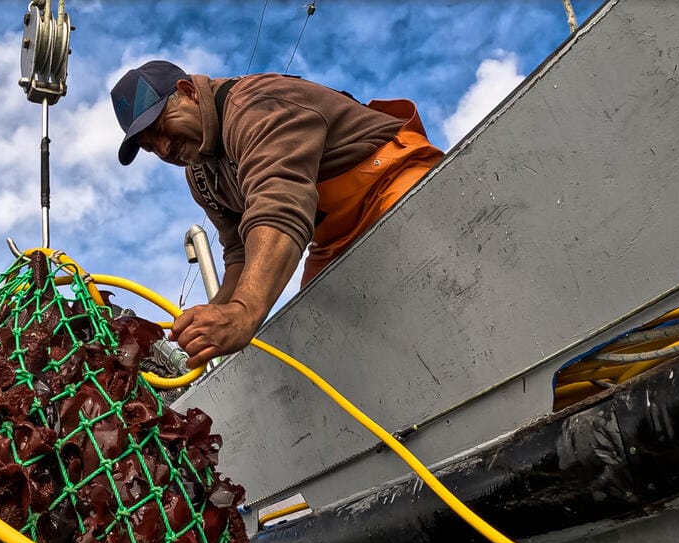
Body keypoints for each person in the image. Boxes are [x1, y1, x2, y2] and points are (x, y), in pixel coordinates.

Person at [111, 60, 444, 368]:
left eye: (162, 125)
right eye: (150, 146)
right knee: (325, 332)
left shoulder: (253, 105)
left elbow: (280, 203)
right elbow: (238, 251)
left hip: (393, 182)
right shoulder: (199, 176)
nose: (164, 147)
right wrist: (209, 320)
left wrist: (243, 313)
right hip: (331, 238)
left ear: (188, 92)